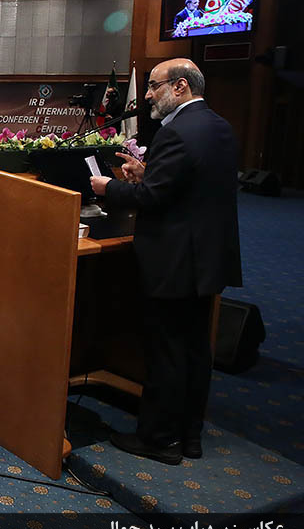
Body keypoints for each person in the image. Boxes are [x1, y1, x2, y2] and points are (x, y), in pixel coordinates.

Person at [90, 58, 241, 465]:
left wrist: (109, 188)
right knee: (195, 350)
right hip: (208, 259)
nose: (149, 95)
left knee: (166, 351)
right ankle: (189, 436)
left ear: (179, 87)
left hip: (175, 259)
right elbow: (190, 187)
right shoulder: (219, 126)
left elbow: (154, 199)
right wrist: (149, 172)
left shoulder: (176, 132)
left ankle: (159, 440)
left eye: (154, 86)